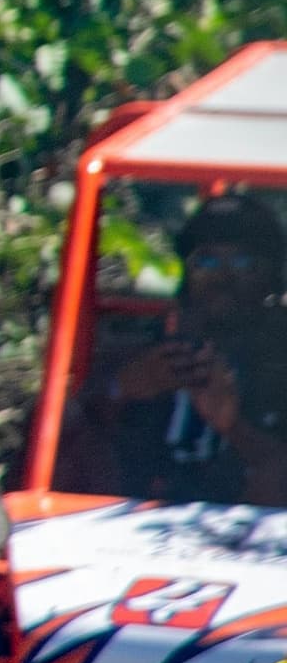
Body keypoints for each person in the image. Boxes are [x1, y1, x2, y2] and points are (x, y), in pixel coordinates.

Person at [92, 196, 287, 505]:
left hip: (245, 531)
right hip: (139, 522)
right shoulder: (151, 347)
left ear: (271, 277)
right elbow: (76, 436)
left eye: (243, 263)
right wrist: (121, 390)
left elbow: (277, 473)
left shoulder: (278, 359)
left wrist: (232, 425)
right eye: (206, 261)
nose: (222, 277)